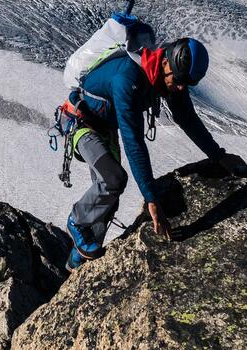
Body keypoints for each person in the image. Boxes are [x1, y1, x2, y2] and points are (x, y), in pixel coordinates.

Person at [63, 36, 235, 269]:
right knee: (113, 180)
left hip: (104, 126)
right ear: (166, 63)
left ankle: (77, 262)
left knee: (108, 202)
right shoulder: (128, 79)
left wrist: (217, 154)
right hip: (80, 123)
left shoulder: (169, 74)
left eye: (187, 83)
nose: (182, 87)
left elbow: (186, 117)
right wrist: (151, 199)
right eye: (180, 81)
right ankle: (76, 221)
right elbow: (134, 142)